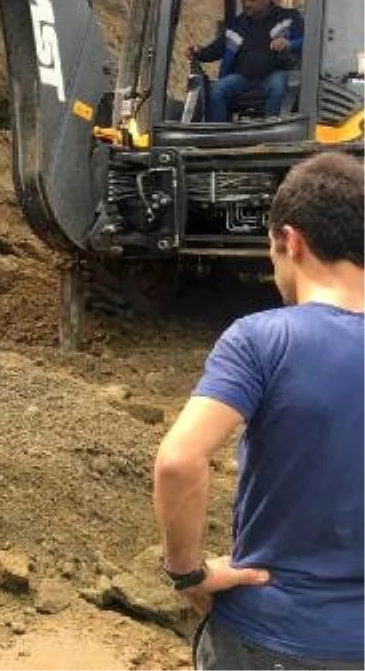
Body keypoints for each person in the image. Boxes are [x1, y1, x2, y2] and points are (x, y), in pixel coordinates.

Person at [154, 151, 365, 666]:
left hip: (270, 637)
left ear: (290, 242)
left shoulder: (261, 339)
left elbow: (180, 461)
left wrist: (187, 571)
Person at [188, 0, 304, 122]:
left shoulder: (289, 17)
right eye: (244, 0)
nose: (247, 4)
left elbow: (306, 42)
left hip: (275, 73)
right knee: (217, 89)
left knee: (278, 86)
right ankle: (217, 134)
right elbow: (216, 49)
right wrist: (198, 52)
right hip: (243, 77)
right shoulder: (236, 25)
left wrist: (289, 44)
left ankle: (270, 128)